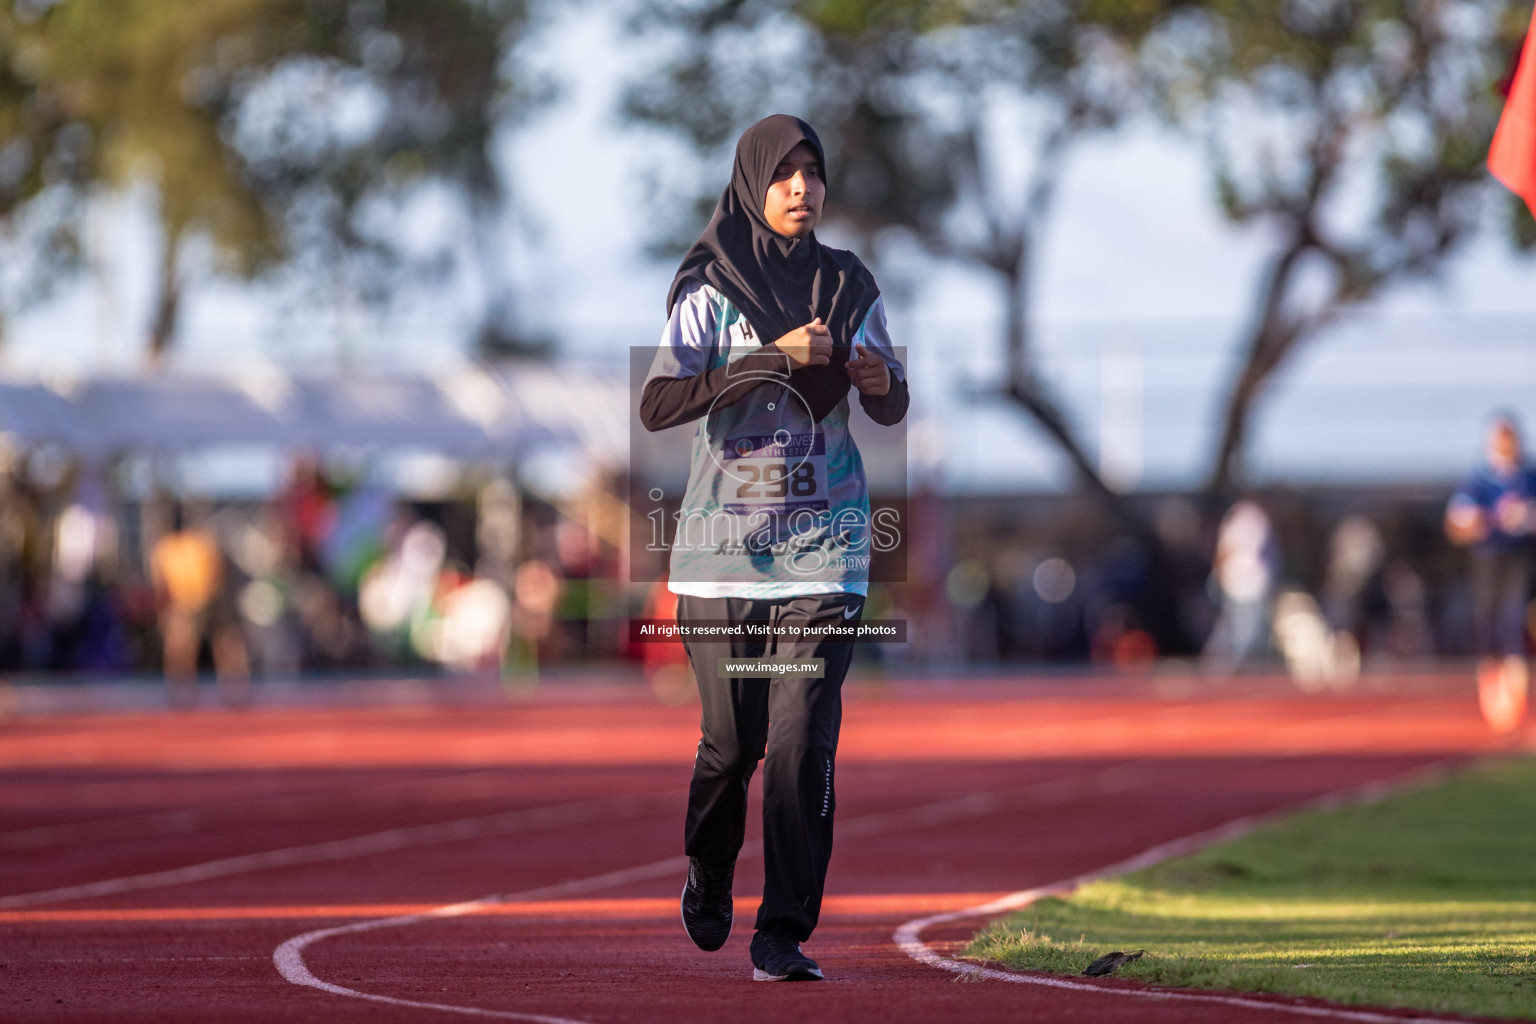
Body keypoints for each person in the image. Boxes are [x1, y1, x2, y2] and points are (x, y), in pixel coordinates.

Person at [639, 114, 908, 982]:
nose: (803, 188)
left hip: (826, 550)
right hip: (721, 553)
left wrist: (882, 382)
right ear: (754, 181)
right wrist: (767, 358)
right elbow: (659, 405)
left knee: (800, 739)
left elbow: (893, 403)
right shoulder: (711, 287)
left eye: (814, 172)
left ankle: (783, 931)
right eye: (786, 173)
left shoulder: (848, 283)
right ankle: (709, 867)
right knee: (732, 745)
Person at [1445, 413, 1535, 734]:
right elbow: (1456, 524)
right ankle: (1492, 684)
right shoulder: (1478, 480)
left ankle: (1516, 689)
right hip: (1488, 560)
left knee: (1515, 619)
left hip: (1521, 558)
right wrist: (1481, 522)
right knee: (1486, 621)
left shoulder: (1529, 476)